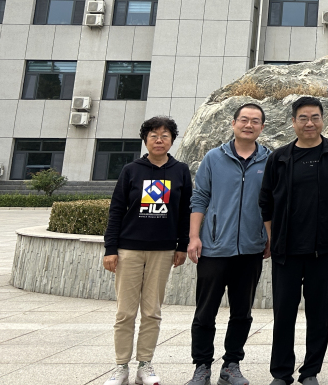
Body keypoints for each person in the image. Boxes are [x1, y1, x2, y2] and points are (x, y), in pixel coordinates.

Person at [259, 96, 328, 385]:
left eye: (315, 117)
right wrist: (273, 238)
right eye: (303, 118)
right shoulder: (279, 157)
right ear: (293, 122)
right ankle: (281, 373)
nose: (309, 123)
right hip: (286, 251)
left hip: (322, 251)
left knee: (319, 316)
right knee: (283, 315)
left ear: (322, 120)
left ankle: (310, 371)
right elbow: (266, 201)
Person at [185, 103, 272, 385]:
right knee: (205, 312)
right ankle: (201, 366)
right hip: (213, 248)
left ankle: (231, 365)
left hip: (250, 249)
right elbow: (200, 198)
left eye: (255, 121)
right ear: (233, 124)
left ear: (262, 127)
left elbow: (272, 203)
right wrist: (194, 237)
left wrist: (269, 237)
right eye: (244, 120)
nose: (249, 125)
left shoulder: (270, 160)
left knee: (242, 313)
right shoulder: (213, 158)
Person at [102, 116, 191, 385]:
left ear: (172, 140)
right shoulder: (131, 170)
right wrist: (111, 248)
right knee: (125, 313)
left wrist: (182, 245)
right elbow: (116, 210)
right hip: (129, 249)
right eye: (153, 135)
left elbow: (185, 211)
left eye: (165, 135)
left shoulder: (180, 170)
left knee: (152, 311)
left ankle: (145, 364)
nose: (159, 140)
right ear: (145, 140)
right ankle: (121, 367)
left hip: (163, 251)